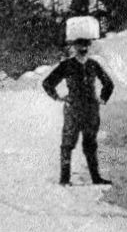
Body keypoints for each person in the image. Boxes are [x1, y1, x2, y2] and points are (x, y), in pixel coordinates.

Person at [42, 38, 115, 186]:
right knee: (67, 144)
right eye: (80, 45)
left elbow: (108, 83)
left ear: (89, 46)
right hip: (73, 109)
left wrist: (102, 98)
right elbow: (47, 83)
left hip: (90, 110)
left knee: (90, 144)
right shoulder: (67, 65)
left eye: (86, 44)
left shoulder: (93, 65)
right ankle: (64, 179)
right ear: (74, 47)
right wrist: (57, 97)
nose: (83, 48)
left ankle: (96, 178)